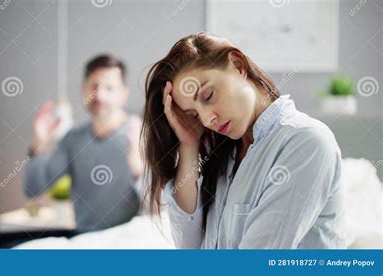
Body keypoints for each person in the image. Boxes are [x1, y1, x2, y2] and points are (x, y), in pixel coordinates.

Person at [141, 32, 345, 249]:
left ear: (238, 65)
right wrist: (189, 145)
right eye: (195, 115)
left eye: (208, 95)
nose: (208, 119)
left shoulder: (306, 142)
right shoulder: (224, 156)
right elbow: (190, 248)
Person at [24, 54, 142, 232]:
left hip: (126, 242)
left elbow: (160, 207)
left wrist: (138, 169)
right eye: (94, 87)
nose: (99, 95)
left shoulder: (140, 135)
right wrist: (38, 144)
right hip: (83, 238)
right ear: (83, 89)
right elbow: (33, 190)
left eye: (109, 88)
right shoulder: (73, 139)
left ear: (124, 95)